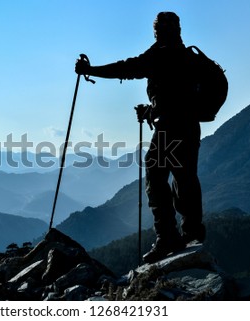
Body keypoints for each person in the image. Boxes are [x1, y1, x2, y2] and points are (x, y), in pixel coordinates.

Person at [75, 12, 206, 264]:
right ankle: (192, 233)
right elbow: (177, 95)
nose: (157, 33)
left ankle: (167, 237)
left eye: (157, 29)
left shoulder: (160, 55)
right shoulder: (188, 57)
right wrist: (151, 110)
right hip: (189, 127)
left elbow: (126, 68)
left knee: (156, 175)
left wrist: (90, 70)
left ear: (158, 31)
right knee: (185, 177)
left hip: (170, 129)